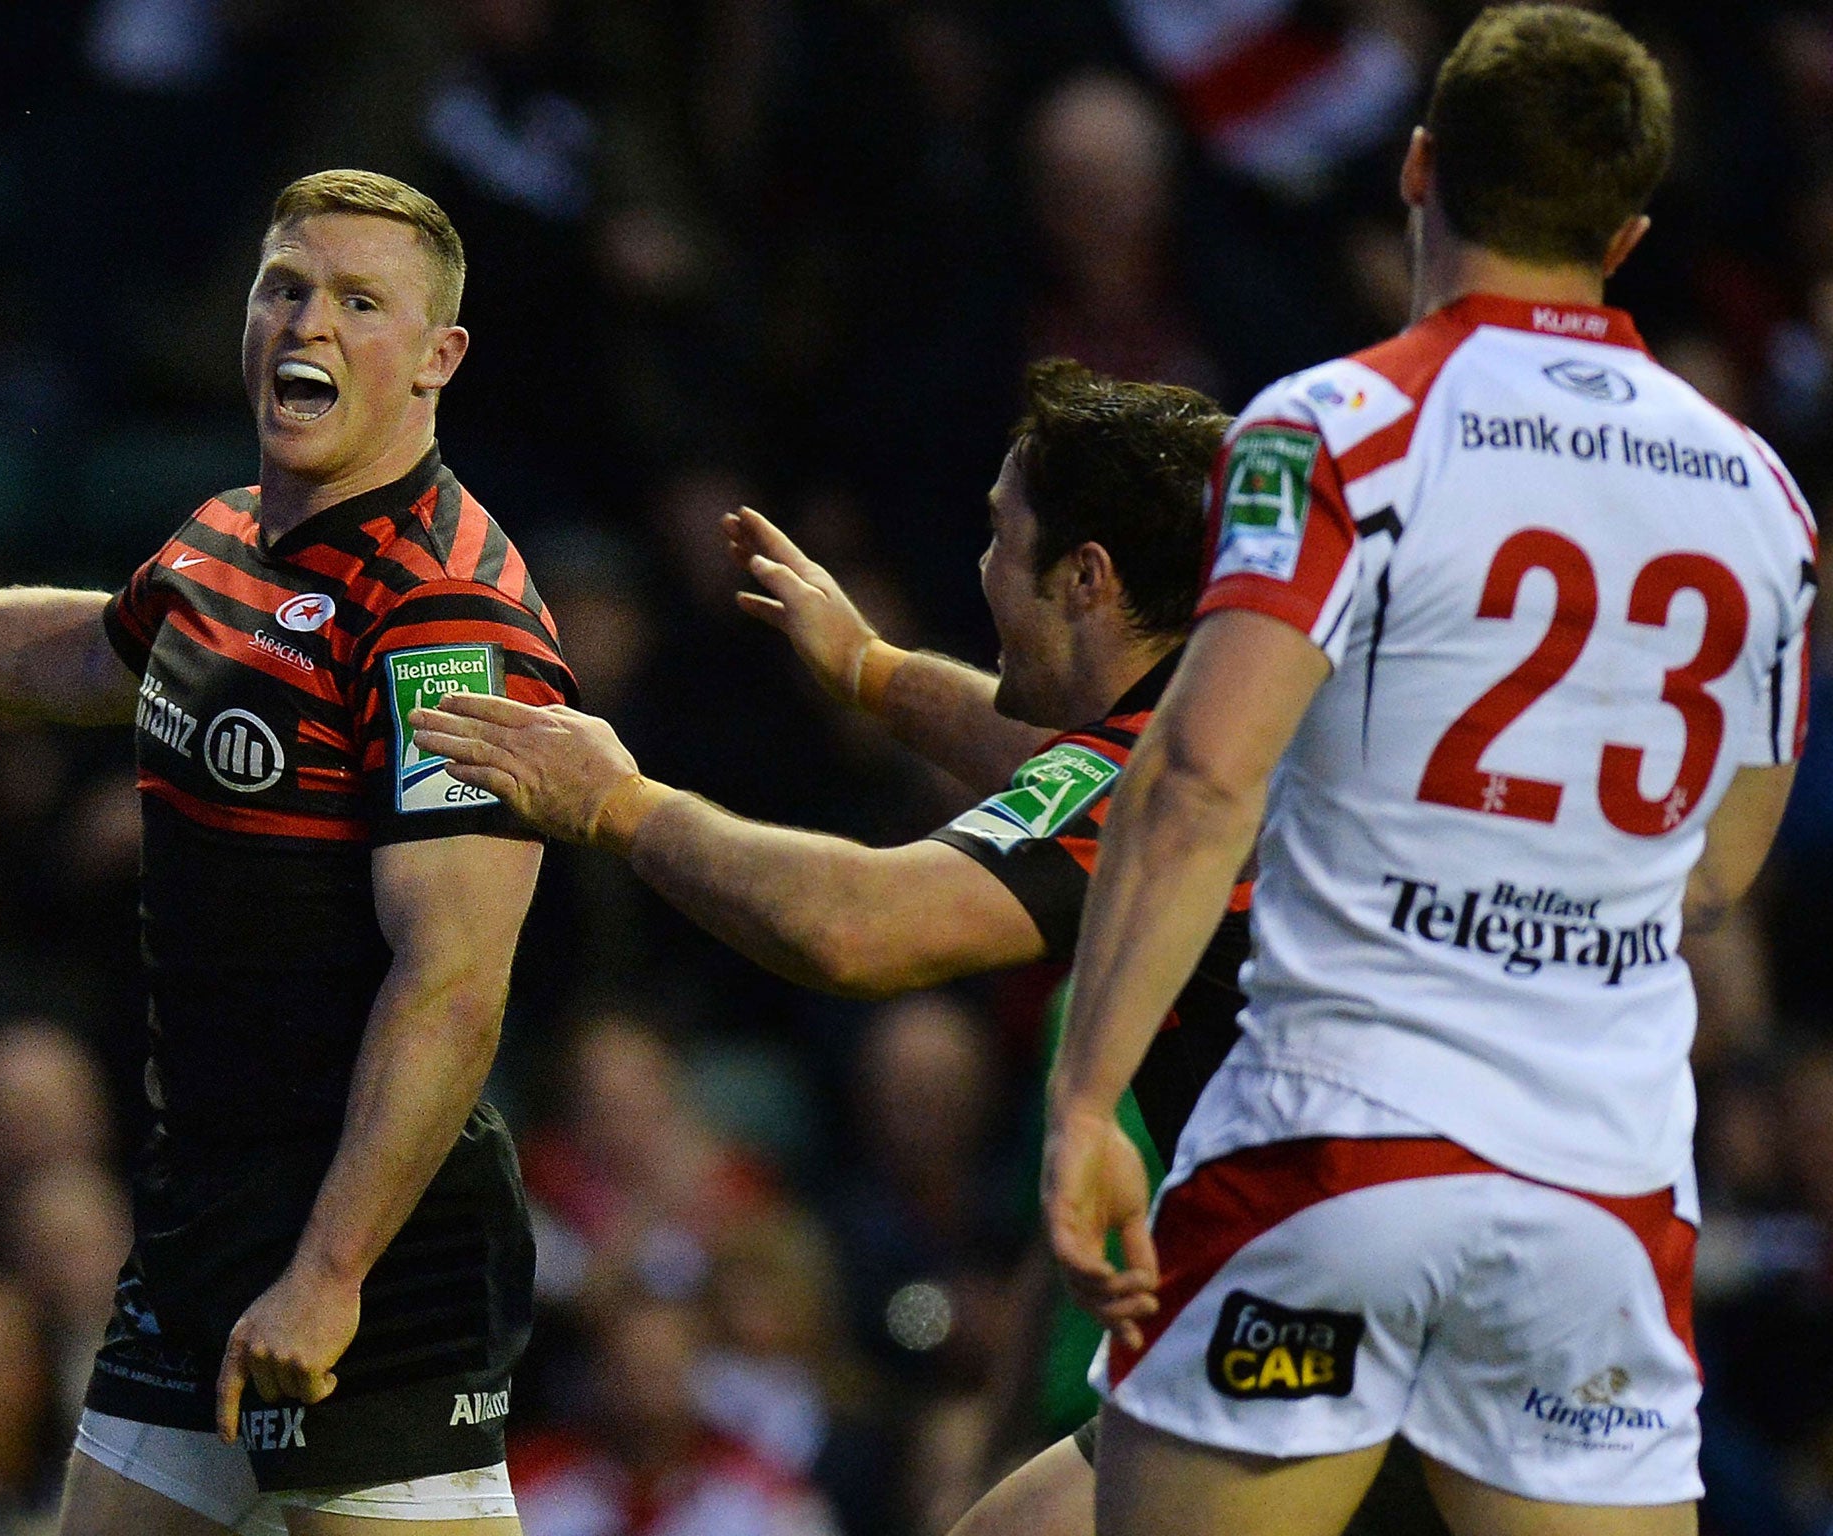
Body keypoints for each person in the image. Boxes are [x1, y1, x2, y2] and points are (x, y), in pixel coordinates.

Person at [407, 361, 1444, 1534]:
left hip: (1330, 1293)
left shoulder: (1143, 772)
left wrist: (618, 805)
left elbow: (855, 926)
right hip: (1491, 1253)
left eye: (1001, 539)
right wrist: (872, 674)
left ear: (1085, 578)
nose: (983, 570)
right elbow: (1058, 775)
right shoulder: (1265, 733)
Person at [1041, 9, 1819, 1536]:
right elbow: (1722, 863)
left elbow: (1200, 779)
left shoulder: (1336, 428)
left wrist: (1084, 1107)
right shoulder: (1761, 492)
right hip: (1600, 1203)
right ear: (1629, 228)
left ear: (1417, 168)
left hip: (1336, 1168)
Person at [0, 169, 576, 1535]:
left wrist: (330, 1270)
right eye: (285, 286)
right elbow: (85, 654)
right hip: (203, 1210)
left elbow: (452, 981)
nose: (306, 324)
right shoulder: (221, 543)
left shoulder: (449, 616)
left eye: (358, 301)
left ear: (437, 360)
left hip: (371, 1241)